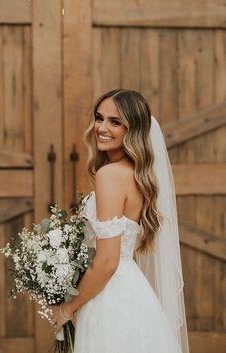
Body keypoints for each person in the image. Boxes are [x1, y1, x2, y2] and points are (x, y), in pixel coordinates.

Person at [51, 89, 190, 353]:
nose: (102, 127)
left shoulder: (110, 175)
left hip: (110, 298)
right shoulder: (137, 174)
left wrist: (67, 308)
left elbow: (106, 262)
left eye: (115, 122)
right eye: (99, 118)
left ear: (133, 129)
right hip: (133, 292)